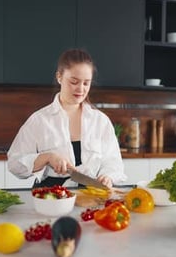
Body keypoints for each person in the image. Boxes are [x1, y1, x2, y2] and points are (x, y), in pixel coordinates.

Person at [7, 48, 126, 189]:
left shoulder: (100, 121)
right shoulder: (39, 120)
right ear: (59, 77)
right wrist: (47, 157)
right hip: (49, 196)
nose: (80, 89)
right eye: (74, 82)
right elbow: (14, 164)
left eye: (86, 83)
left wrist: (108, 176)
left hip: (91, 194)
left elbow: (113, 162)